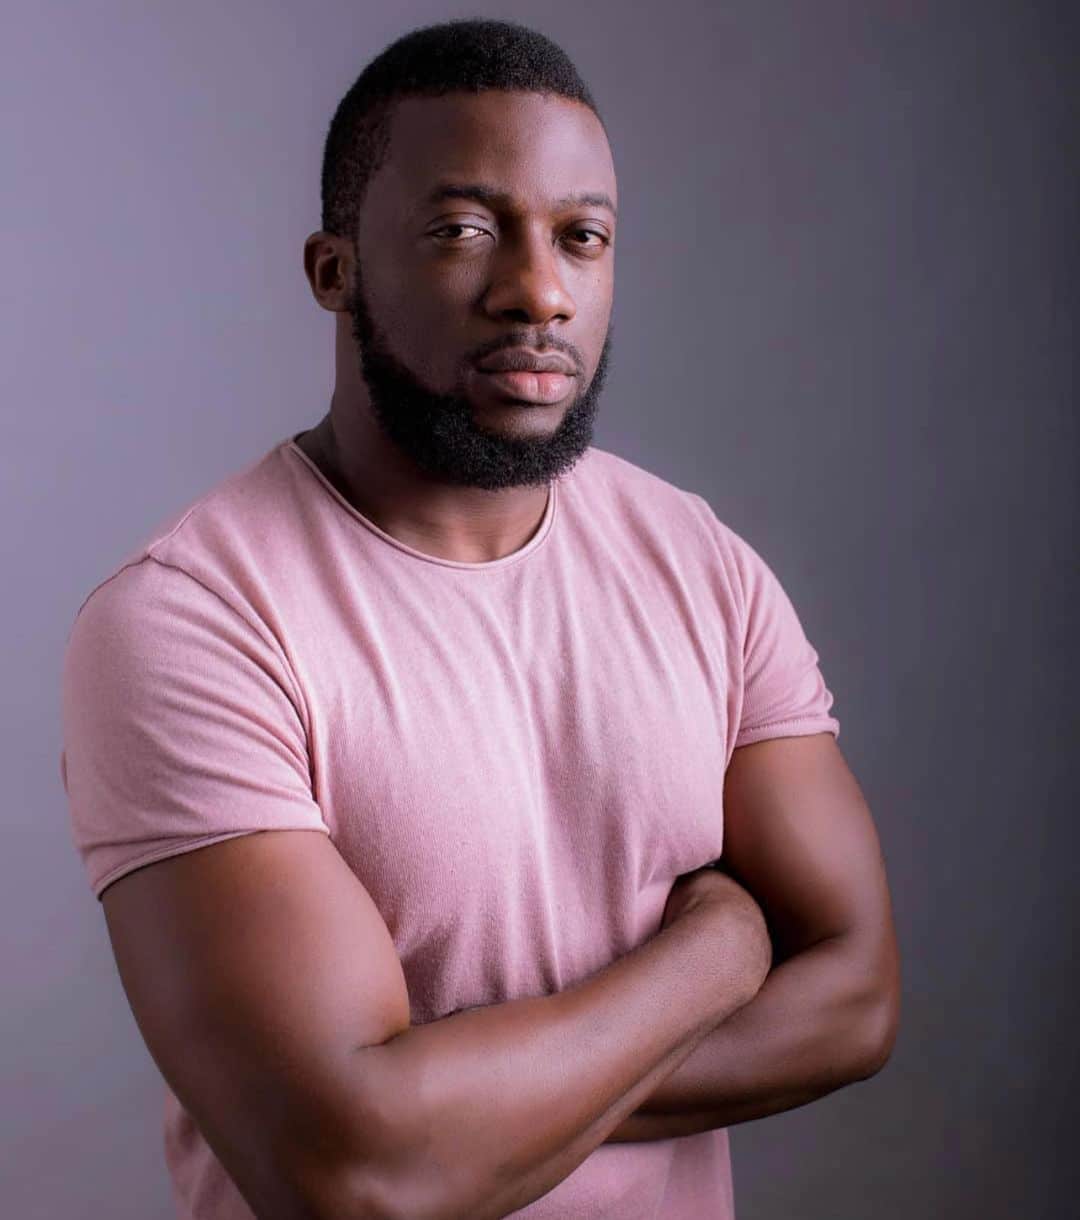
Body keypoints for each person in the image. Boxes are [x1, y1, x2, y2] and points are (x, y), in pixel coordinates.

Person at [60, 18, 900, 1220]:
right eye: (463, 231)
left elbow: (858, 996)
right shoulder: (191, 624)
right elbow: (355, 1170)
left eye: (581, 238)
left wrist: (460, 1118)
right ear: (334, 270)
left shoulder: (700, 563)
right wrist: (717, 947)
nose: (538, 292)